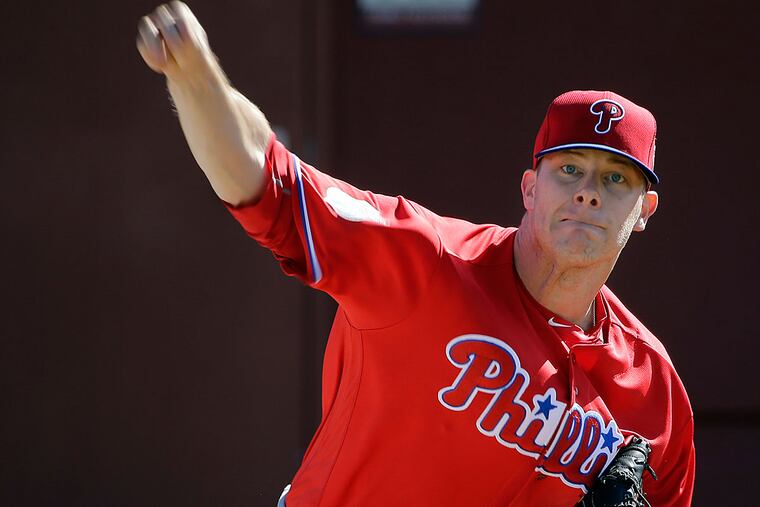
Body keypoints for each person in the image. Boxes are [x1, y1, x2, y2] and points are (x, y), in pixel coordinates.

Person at [136, 3, 695, 506]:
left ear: (644, 209)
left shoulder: (656, 397)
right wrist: (197, 76)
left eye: (615, 177)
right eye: (569, 168)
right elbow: (267, 178)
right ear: (529, 188)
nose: (588, 190)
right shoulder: (429, 264)